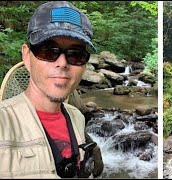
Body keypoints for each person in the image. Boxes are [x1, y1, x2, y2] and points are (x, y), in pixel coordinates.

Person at [0, 1, 103, 178]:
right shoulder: (3, 122)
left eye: (76, 55)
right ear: (26, 55)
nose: (62, 63)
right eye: (48, 51)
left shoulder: (77, 117)